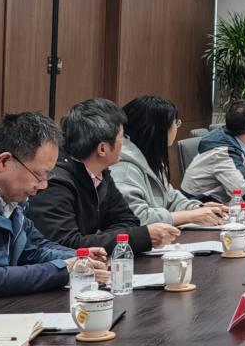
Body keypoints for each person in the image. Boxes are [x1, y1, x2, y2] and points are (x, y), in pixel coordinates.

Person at [0, 112, 108, 304]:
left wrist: (79, 258)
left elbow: (34, 249)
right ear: (4, 161)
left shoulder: (11, 199)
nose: (44, 185)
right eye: (39, 175)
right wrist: (63, 269)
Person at [28, 99, 178, 255]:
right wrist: (140, 237)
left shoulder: (100, 171)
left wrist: (99, 240)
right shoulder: (55, 182)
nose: (125, 143)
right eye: (122, 137)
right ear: (102, 149)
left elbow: (128, 220)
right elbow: (65, 244)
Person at [111, 95, 228, 229]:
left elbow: (170, 198)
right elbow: (136, 218)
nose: (177, 127)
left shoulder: (150, 156)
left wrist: (196, 208)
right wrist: (190, 216)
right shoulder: (124, 169)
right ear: (159, 129)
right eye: (175, 122)